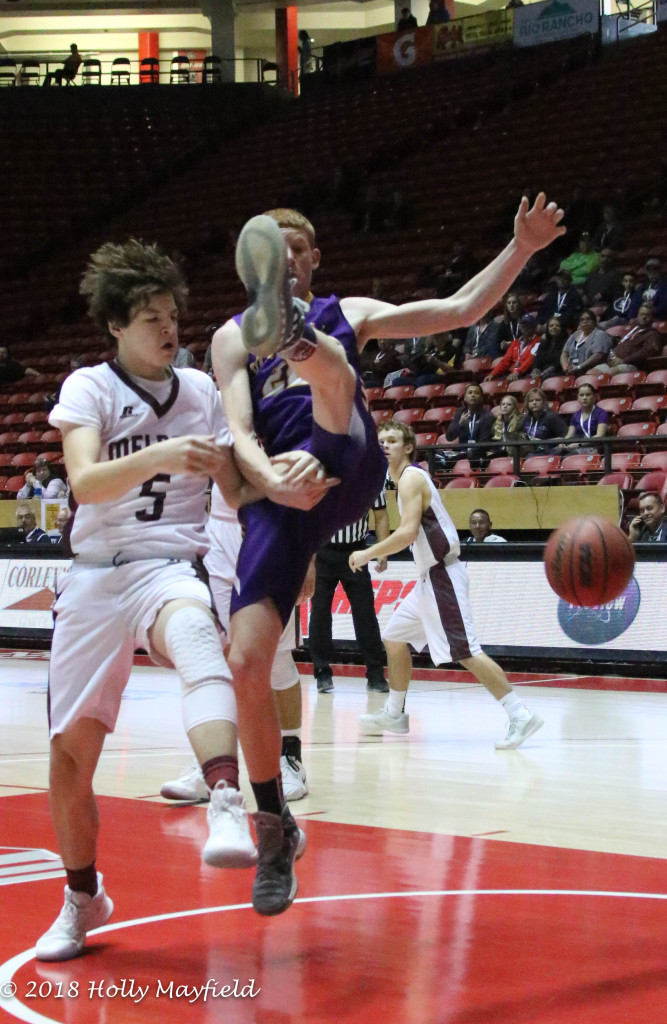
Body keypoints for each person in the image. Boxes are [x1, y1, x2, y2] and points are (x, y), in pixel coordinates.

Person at [211, 194, 564, 915]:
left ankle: (301, 343)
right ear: (255, 265)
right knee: (246, 660)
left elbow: (462, 308)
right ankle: (274, 825)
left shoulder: (355, 309)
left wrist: (523, 247)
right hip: (284, 491)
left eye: (295, 249)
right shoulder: (227, 339)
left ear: (311, 260)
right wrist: (271, 476)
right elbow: (240, 432)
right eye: (269, 250)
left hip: (346, 457)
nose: (285, 257)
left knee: (334, 368)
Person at [34, 238, 290, 962]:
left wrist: (280, 509)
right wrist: (162, 455)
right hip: (92, 575)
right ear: (115, 325)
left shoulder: (204, 393)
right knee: (69, 761)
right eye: (150, 316)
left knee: (199, 641)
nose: (168, 327)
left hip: (168, 563)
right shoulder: (90, 387)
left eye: (173, 314)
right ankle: (83, 896)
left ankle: (225, 803)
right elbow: (84, 481)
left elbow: (236, 489)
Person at [351, 420, 543, 748]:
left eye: (392, 440)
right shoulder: (399, 481)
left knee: (466, 651)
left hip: (442, 576)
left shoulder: (411, 478)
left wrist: (369, 550)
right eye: (381, 440)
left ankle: (520, 714)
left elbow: (409, 532)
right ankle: (395, 713)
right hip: (428, 579)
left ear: (408, 447)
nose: (385, 445)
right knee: (394, 638)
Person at [160, 482, 311, 804]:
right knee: (218, 659)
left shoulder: (287, 433)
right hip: (219, 541)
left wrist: (309, 558)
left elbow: (312, 488)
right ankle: (213, 766)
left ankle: (290, 758)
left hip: (274, 534)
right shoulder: (218, 431)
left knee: (275, 661)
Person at [309, 490, 390, 695]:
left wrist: (382, 550)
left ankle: (375, 673)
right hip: (323, 550)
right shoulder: (321, 471)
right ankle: (322, 670)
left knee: (365, 613)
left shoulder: (372, 476)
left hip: (356, 551)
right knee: (319, 612)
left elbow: (380, 515)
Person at [595, 305, 662, 375]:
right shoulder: (632, 331)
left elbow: (646, 352)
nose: (643, 317)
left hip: (632, 365)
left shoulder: (652, 334)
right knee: (592, 372)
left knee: (610, 373)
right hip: (615, 362)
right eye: (641, 314)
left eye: (647, 315)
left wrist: (624, 361)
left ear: (652, 318)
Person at [485, 312, 540, 381]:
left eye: (528, 325)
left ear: (533, 327)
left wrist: (517, 372)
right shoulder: (516, 343)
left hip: (527, 374)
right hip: (513, 375)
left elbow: (530, 360)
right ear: (520, 327)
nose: (525, 327)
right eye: (523, 324)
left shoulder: (538, 341)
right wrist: (492, 374)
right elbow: (505, 361)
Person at [559, 309, 612, 374]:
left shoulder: (600, 334)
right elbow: (564, 353)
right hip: (573, 370)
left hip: (593, 370)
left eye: (588, 319)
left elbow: (598, 356)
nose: (585, 321)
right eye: (582, 320)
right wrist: (565, 367)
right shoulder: (575, 335)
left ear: (594, 322)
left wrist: (579, 367)